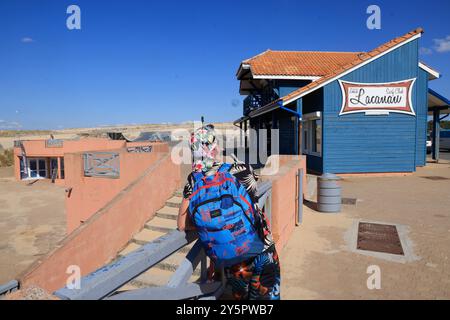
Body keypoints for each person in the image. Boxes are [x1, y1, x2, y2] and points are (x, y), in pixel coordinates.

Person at [177, 124, 280, 300]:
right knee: (267, 297)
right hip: (261, 248)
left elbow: (181, 225)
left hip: (230, 256)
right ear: (215, 148)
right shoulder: (239, 170)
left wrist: (213, 220)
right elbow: (254, 194)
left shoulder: (193, 181)